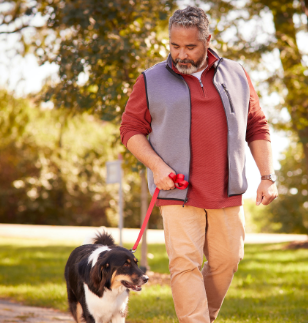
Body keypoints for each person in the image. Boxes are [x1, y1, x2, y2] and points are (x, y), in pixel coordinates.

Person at [119, 6, 278, 322]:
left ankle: (204, 316)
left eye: (190, 46)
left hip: (226, 191)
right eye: (174, 45)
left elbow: (257, 125)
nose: (181, 54)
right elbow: (130, 130)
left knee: (228, 261)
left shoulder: (237, 74)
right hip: (177, 191)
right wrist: (157, 166)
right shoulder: (151, 80)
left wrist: (267, 176)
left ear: (208, 39)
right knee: (184, 264)